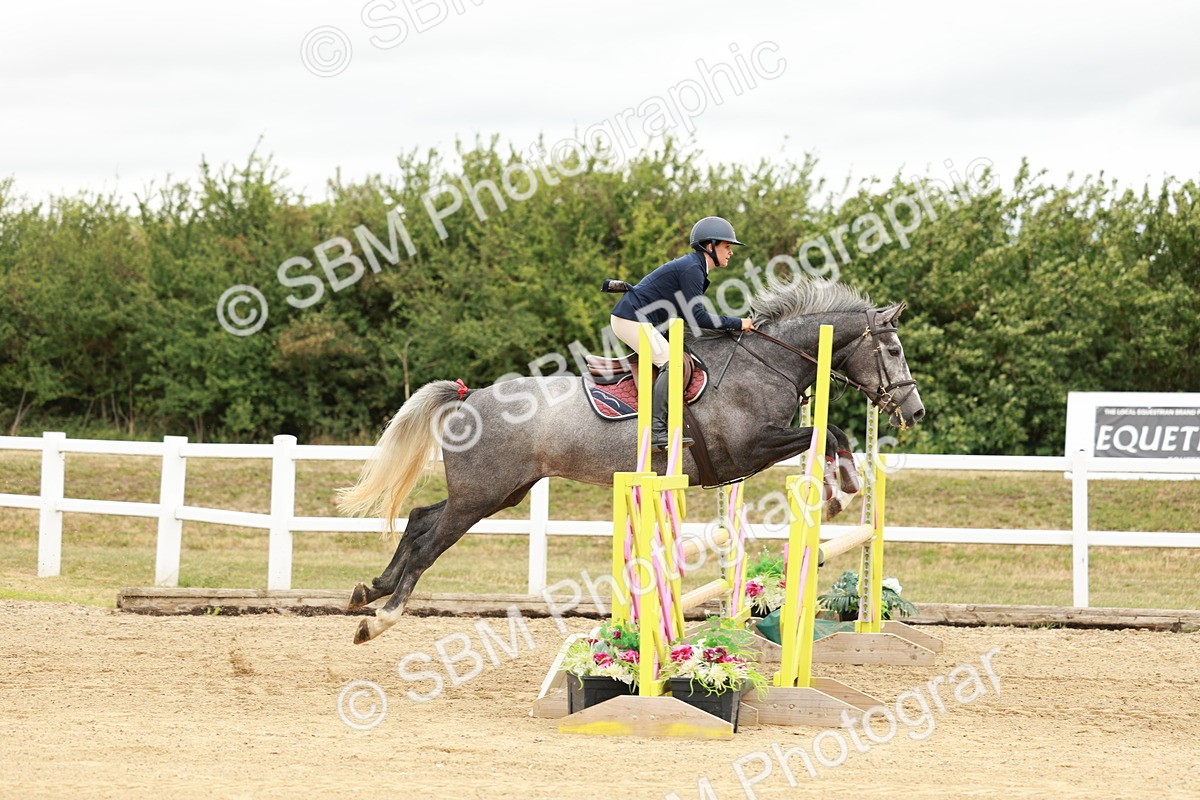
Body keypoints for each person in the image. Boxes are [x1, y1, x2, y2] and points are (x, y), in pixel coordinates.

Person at [609, 216, 755, 451]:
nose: (731, 252)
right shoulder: (692, 269)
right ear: (710, 246)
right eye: (727, 246)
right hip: (631, 320)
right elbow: (698, 317)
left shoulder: (695, 267)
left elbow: (687, 316)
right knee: (673, 362)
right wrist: (738, 323)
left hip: (641, 321)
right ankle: (657, 431)